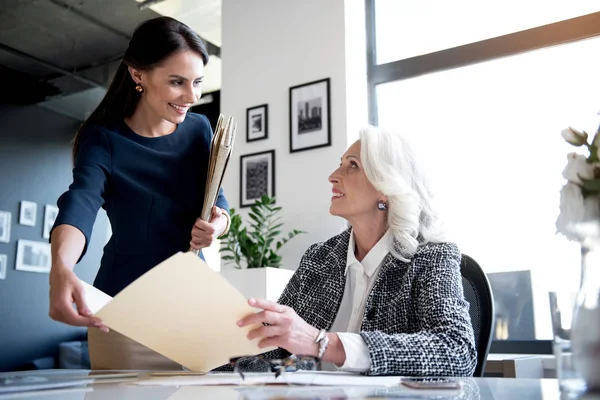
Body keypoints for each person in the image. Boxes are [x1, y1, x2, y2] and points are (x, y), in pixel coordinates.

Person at [48, 16, 230, 370]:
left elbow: (217, 199)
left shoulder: (198, 129)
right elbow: (80, 203)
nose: (192, 97)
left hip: (194, 296)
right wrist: (61, 267)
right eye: (177, 82)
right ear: (138, 75)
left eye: (197, 82)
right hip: (125, 301)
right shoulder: (102, 138)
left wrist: (217, 224)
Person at [234, 126, 477, 376]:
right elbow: (272, 350)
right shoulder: (318, 258)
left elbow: (457, 350)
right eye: (341, 164)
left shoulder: (432, 257)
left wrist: (322, 343)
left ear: (386, 186)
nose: (333, 176)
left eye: (352, 165)